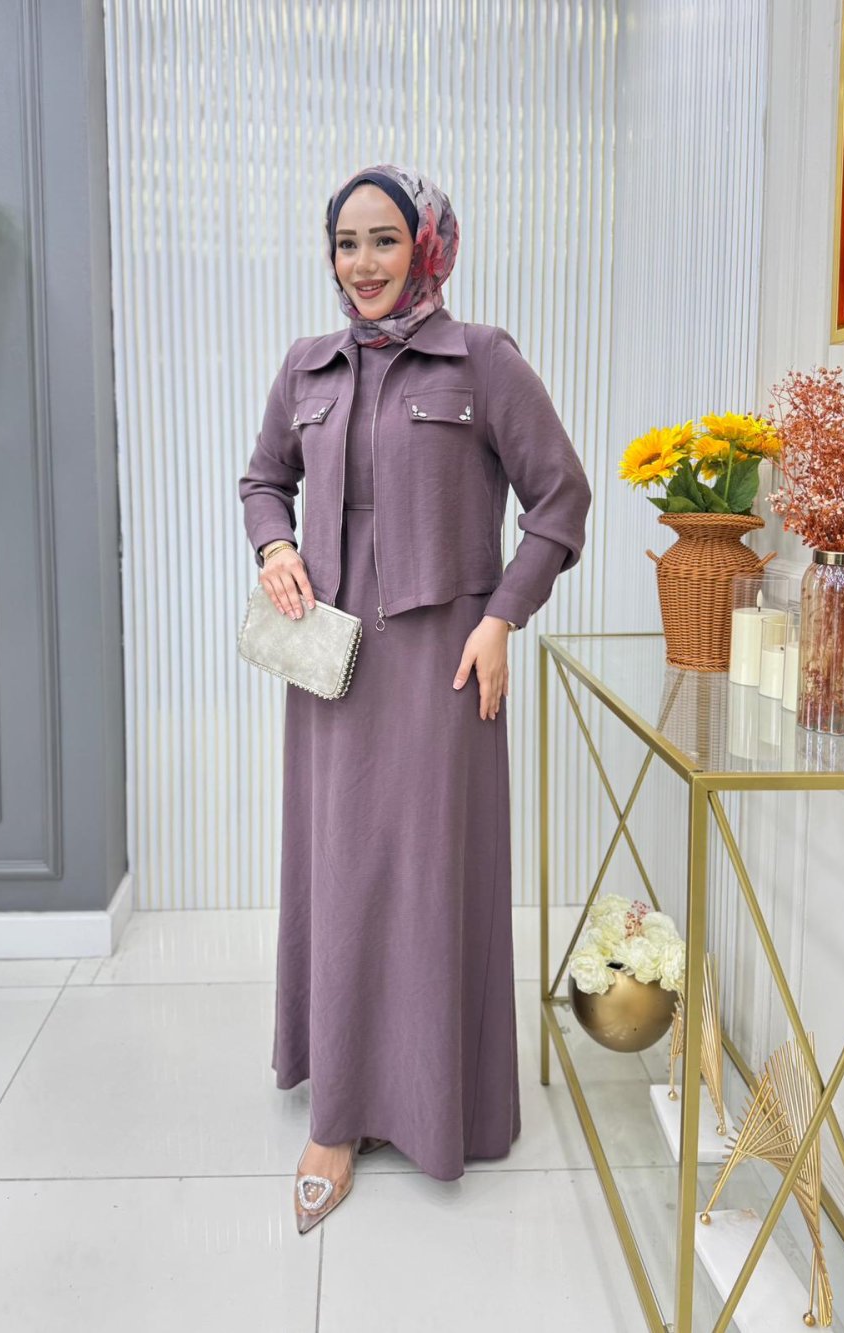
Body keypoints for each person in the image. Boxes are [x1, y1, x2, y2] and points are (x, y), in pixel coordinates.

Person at [238, 163, 591, 1234]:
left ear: (427, 245)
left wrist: (502, 618)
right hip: (333, 665)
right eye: (345, 243)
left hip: (446, 664)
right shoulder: (308, 365)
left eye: (384, 240)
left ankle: (436, 1098)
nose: (363, 263)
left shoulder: (483, 360)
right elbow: (263, 480)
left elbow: (559, 498)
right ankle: (340, 1112)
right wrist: (275, 546)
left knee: (430, 878)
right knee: (343, 873)